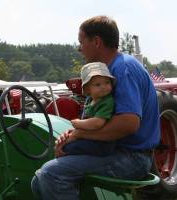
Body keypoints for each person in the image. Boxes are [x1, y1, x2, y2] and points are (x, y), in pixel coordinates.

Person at [31, 15, 160, 200]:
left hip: (132, 157)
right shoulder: (105, 73)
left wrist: (80, 135)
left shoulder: (123, 69)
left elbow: (128, 123)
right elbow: (96, 119)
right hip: (112, 150)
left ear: (97, 41)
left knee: (52, 174)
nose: (79, 48)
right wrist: (69, 140)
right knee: (39, 181)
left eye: (81, 42)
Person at [63, 62, 116, 156]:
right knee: (66, 143)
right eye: (98, 84)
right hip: (92, 138)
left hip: (102, 143)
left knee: (68, 148)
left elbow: (97, 123)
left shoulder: (107, 101)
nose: (103, 86)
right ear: (87, 89)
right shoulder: (90, 100)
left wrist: (78, 123)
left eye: (107, 82)